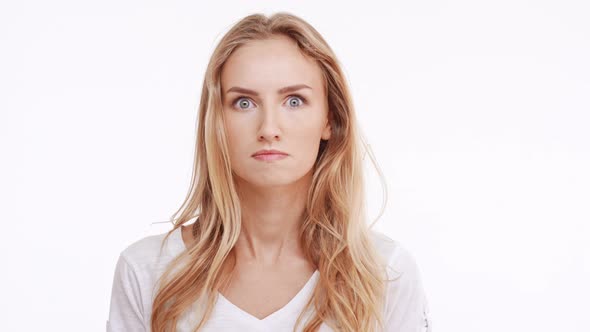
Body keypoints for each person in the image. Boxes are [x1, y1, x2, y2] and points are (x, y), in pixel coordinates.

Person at [106, 12, 431, 332]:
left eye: (294, 100)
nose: (269, 128)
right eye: (244, 103)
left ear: (329, 120)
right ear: (216, 122)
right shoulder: (147, 271)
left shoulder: (385, 273)